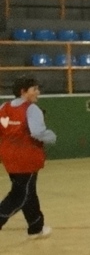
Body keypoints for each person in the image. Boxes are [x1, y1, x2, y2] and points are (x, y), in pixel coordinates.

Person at [0, 76, 57, 239]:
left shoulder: (4, 107)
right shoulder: (32, 109)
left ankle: (36, 227)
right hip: (26, 157)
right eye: (34, 89)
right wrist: (52, 136)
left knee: (28, 192)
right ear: (23, 92)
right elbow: (37, 132)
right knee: (19, 195)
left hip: (8, 156)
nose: (38, 92)